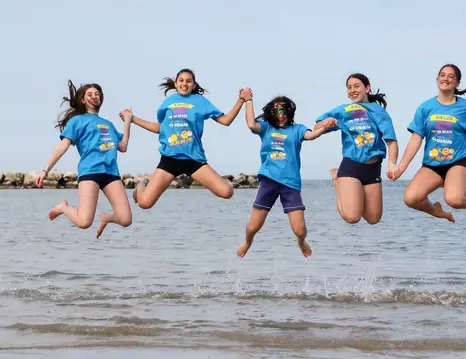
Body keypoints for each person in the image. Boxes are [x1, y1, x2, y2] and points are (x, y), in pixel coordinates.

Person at [314, 73, 448, 225]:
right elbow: (317, 127)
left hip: (373, 169)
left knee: (373, 219)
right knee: (352, 217)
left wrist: (392, 163)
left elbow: (391, 142)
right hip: (351, 165)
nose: (352, 90)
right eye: (349, 87)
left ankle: (353, 195)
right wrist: (326, 122)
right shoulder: (343, 111)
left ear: (367, 88)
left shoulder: (378, 112)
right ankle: (338, 181)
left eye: (356, 86)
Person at [121, 68, 250, 209]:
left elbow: (226, 120)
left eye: (188, 81)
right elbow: (160, 128)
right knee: (144, 203)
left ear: (194, 85)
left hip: (194, 159)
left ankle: (227, 184)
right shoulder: (167, 103)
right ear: (176, 84)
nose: (184, 84)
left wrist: (241, 100)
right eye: (181, 80)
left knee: (227, 192)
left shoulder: (200, 102)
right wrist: (133, 119)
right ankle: (141, 186)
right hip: (169, 159)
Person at [237, 93, 335, 258]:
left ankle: (301, 242)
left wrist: (325, 127)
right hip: (269, 181)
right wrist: (248, 101)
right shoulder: (267, 128)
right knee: (253, 226)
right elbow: (251, 124)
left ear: (289, 113)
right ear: (272, 113)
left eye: (284, 112)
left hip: (290, 184)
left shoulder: (297, 129)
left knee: (299, 230)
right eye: (277, 112)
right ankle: (248, 241)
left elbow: (311, 135)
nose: (281, 116)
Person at [390, 64, 466, 222]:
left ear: (457, 83)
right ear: (437, 79)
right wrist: (401, 168)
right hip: (433, 163)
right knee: (411, 198)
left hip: (458, 160)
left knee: (454, 199)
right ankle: (436, 210)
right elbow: (416, 139)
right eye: (442, 75)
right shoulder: (425, 107)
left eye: (451, 76)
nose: (446, 78)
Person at [37, 80, 133, 238]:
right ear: (83, 100)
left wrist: (128, 122)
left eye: (97, 94)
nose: (94, 96)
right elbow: (62, 146)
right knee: (84, 222)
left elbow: (122, 146)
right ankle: (64, 208)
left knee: (126, 219)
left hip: (111, 173)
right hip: (90, 172)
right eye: (90, 94)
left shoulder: (107, 124)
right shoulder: (77, 121)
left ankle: (106, 218)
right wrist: (45, 170)